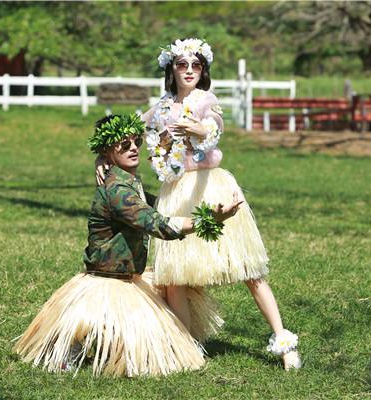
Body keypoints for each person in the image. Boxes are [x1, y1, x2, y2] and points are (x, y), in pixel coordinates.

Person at [98, 39, 301, 369]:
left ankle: (283, 340)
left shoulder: (206, 100)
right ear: (171, 70)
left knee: (249, 270)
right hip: (176, 192)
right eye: (182, 65)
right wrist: (103, 154)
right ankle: (187, 346)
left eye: (196, 66)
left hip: (210, 186)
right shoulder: (163, 105)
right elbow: (131, 126)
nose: (189, 71)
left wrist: (198, 127)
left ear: (203, 71)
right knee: (174, 276)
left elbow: (214, 128)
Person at [14, 114, 240, 377]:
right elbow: (158, 224)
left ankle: (108, 342)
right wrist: (209, 219)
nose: (133, 147)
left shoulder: (131, 184)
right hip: (108, 281)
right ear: (108, 152)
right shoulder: (118, 192)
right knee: (146, 364)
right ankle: (77, 343)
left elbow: (161, 208)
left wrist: (207, 207)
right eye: (123, 145)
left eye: (135, 142)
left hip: (130, 276)